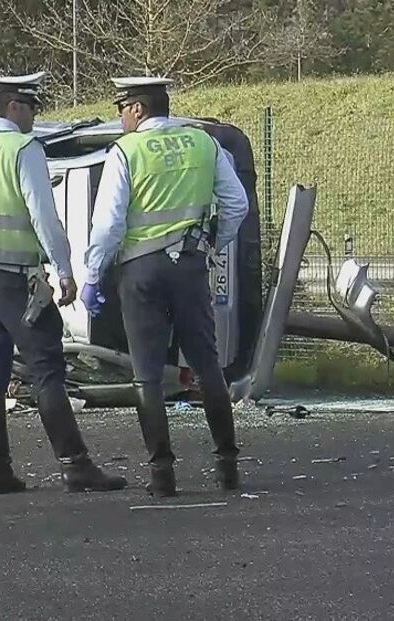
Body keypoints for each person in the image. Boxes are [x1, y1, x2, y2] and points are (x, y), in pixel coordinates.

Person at [0, 71, 126, 495]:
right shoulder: (24, 149)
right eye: (30, 107)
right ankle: (75, 464)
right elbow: (43, 215)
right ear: (13, 106)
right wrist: (64, 269)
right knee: (46, 368)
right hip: (18, 278)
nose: (33, 116)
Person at [81, 77, 249, 497]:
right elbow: (236, 204)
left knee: (148, 376)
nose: (121, 118)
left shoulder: (126, 151)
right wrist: (211, 244)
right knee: (207, 366)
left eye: (122, 108)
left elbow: (108, 225)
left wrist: (92, 275)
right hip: (190, 267)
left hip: (141, 274)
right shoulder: (203, 143)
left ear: (137, 110)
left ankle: (162, 474)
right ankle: (227, 465)